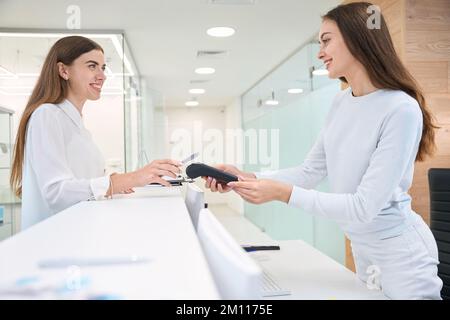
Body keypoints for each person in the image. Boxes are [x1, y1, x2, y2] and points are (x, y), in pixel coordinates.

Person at [204, 2, 443, 299]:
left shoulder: (400, 108)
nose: (319, 53)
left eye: (326, 40)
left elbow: (363, 207)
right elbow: (309, 172)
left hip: (401, 254)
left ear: (359, 38)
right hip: (363, 247)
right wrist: (247, 176)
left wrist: (282, 193)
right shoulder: (340, 103)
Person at [10, 36, 181, 230]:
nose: (102, 75)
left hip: (78, 232)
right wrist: (127, 179)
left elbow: (82, 183)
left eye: (103, 68)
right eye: (92, 66)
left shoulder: (78, 126)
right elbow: (56, 192)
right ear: (63, 70)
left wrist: (118, 182)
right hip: (54, 239)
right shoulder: (47, 115)